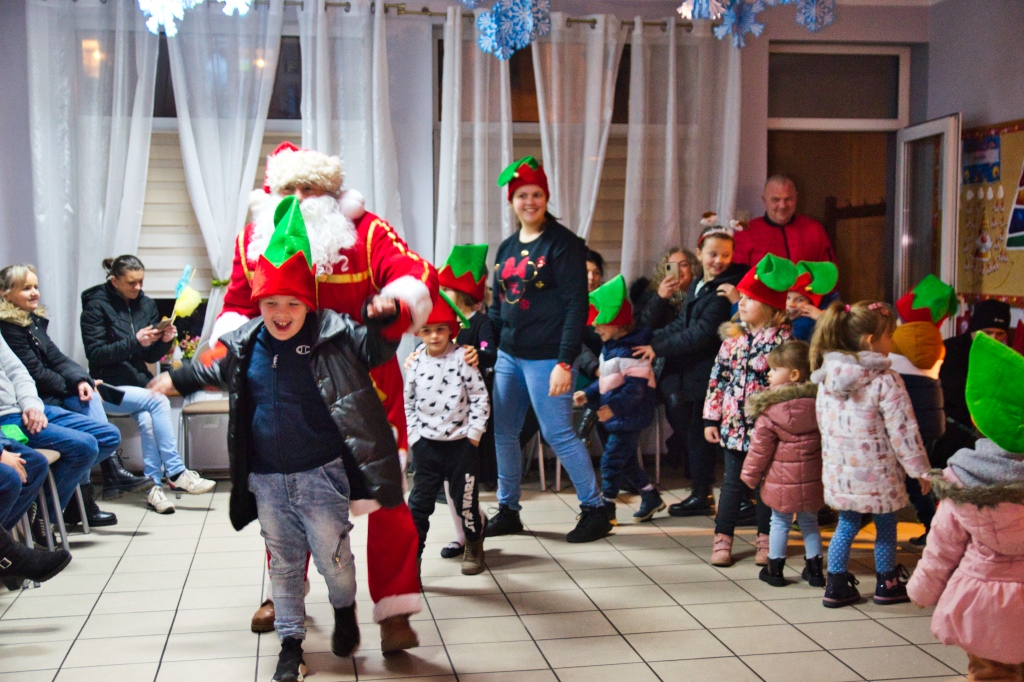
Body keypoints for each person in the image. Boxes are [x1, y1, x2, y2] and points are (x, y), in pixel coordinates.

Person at [151, 197, 402, 680]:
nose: (281, 313)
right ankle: (291, 645)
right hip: (266, 479)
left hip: (322, 476)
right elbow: (211, 369)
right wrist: (175, 379)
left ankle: (345, 609)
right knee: (283, 565)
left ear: (308, 302)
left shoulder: (335, 333)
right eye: (271, 303)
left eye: (292, 303)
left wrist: (381, 321)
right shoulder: (245, 343)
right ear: (258, 302)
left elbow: (374, 348)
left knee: (334, 562)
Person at [212, 142, 431, 649]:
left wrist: (392, 306)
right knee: (283, 497)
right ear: (273, 193)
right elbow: (237, 307)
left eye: (309, 188)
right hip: (286, 396)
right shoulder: (254, 239)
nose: (298, 198)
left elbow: (413, 274)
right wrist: (225, 356)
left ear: (332, 193)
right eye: (288, 188)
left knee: (387, 499)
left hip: (363, 394)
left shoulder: (366, 232)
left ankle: (395, 609)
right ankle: (285, 592)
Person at [485, 155, 611, 543]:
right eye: (522, 195)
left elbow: (576, 306)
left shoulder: (565, 245)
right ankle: (508, 509)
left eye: (536, 194)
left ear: (546, 197)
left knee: (558, 433)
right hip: (509, 355)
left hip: (547, 358)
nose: (530, 202)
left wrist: (564, 362)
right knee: (504, 433)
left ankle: (595, 508)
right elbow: (497, 305)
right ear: (511, 200)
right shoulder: (507, 247)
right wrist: (488, 349)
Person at [907, 333, 1024, 682]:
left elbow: (942, 548)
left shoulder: (963, 480)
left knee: (990, 673)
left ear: (979, 420)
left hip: (982, 603)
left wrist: (921, 590)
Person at [0, 264, 150, 526]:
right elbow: (36, 372)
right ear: (5, 293)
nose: (34, 293)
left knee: (106, 430)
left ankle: (74, 498)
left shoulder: (31, 321)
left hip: (32, 404)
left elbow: (43, 364)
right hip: (32, 406)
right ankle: (58, 513)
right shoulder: (8, 327)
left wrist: (82, 380)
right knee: (85, 441)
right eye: (26, 288)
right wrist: (73, 386)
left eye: (36, 287)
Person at [810, 300, 932, 608]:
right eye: (889, 335)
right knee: (886, 526)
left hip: (842, 473)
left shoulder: (827, 378)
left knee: (846, 524)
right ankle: (887, 583)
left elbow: (824, 425)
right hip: (880, 474)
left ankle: (836, 584)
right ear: (870, 340)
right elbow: (903, 430)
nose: (892, 342)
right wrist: (920, 470)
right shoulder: (885, 380)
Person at [80, 255, 215, 515]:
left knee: (149, 420)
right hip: (106, 388)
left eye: (141, 281)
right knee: (158, 399)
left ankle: (153, 488)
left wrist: (164, 341)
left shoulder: (146, 305)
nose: (138, 287)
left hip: (137, 386)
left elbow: (150, 356)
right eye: (131, 283)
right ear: (114, 281)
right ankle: (176, 471)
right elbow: (95, 354)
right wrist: (135, 341)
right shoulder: (95, 306)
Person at [635, 222, 747, 514]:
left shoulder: (723, 291)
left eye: (725, 255)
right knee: (698, 436)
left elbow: (700, 334)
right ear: (700, 253)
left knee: (705, 436)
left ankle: (721, 496)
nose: (719, 260)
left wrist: (657, 348)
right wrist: (647, 339)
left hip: (710, 372)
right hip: (695, 374)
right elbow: (681, 324)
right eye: (713, 254)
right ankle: (702, 493)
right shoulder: (699, 284)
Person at [704, 254, 793, 567]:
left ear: (769, 307)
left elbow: (788, 384)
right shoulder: (733, 338)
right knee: (732, 483)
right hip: (733, 425)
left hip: (767, 428)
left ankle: (765, 539)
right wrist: (711, 418)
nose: (741, 303)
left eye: (750, 299)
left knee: (765, 484)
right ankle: (722, 538)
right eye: (741, 297)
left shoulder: (783, 341)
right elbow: (718, 378)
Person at [405, 291, 489, 575]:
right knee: (419, 505)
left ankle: (474, 544)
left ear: (451, 330)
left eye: (440, 329)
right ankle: (413, 557)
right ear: (419, 332)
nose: (434, 336)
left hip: (461, 446)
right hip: (426, 447)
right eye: (427, 330)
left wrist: (473, 436)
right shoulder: (415, 362)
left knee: (466, 502)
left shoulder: (463, 358)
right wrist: (414, 437)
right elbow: (408, 402)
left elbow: (480, 398)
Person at [574, 275, 663, 524]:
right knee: (626, 463)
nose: (595, 328)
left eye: (600, 323)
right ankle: (650, 497)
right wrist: (589, 393)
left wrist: (612, 408)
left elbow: (635, 390)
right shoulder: (611, 347)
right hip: (620, 416)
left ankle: (608, 509)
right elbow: (608, 380)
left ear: (617, 323)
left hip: (629, 417)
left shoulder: (632, 351)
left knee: (610, 463)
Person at [740, 341, 825, 588]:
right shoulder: (821, 404)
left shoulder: (771, 409)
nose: (769, 373)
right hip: (813, 478)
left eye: (775, 369)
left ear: (794, 374)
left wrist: (750, 477)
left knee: (779, 522)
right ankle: (815, 571)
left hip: (781, 480)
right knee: (810, 523)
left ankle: (775, 569)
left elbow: (760, 449)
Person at [435, 244, 496, 558]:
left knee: (463, 477)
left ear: (461, 293)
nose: (442, 293)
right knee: (448, 479)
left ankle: (473, 529)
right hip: (445, 411)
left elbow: (489, 353)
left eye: (446, 289)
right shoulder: (445, 322)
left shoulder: (481, 324)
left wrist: (476, 355)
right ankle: (462, 534)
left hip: (470, 412)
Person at [890, 275, 959, 547]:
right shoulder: (936, 344)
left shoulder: (892, 343)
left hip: (902, 421)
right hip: (931, 422)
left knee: (888, 476)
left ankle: (929, 529)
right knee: (920, 478)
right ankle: (934, 528)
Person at [933, 299, 1011, 469]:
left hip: (985, 441)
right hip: (948, 436)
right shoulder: (947, 351)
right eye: (987, 332)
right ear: (974, 329)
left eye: (1000, 334)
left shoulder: (1005, 357)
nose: (993, 339)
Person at [732, 176, 835, 267]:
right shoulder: (746, 232)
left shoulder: (814, 229)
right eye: (776, 200)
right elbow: (736, 276)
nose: (782, 206)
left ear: (796, 198)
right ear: (764, 200)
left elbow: (829, 272)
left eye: (788, 199)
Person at [784, 261, 837, 343]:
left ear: (811, 303)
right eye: (788, 298)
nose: (791, 304)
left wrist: (823, 317)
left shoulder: (803, 326)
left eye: (800, 300)